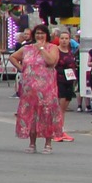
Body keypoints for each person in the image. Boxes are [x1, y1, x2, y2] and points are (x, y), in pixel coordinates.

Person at [11, 24, 63, 154]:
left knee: (47, 115)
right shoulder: (27, 48)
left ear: (47, 35)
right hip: (30, 89)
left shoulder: (53, 48)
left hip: (47, 89)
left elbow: (51, 61)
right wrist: (21, 68)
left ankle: (48, 143)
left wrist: (41, 48)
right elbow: (13, 57)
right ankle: (32, 143)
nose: (40, 36)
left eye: (42, 33)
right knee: (31, 116)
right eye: (37, 33)